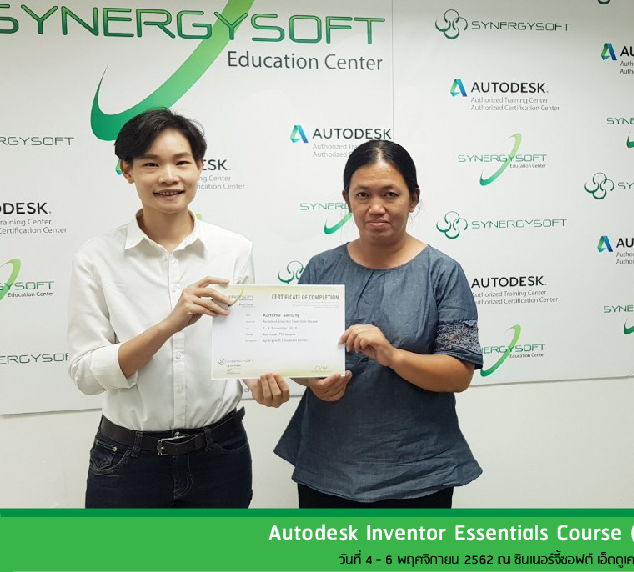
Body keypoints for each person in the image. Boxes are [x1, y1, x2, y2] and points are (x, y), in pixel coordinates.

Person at [67, 108, 288, 508]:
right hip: (127, 461)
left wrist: (260, 382)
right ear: (127, 170)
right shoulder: (96, 258)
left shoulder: (234, 250)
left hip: (221, 455)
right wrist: (169, 325)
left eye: (181, 162)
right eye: (151, 164)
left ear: (200, 167)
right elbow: (86, 374)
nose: (169, 177)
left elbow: (243, 351)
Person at [274, 139, 483, 508]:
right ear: (347, 199)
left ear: (413, 199)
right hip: (327, 465)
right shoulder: (321, 269)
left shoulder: (442, 272)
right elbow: (300, 359)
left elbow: (458, 375)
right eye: (363, 195)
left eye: (390, 194)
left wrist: (393, 356)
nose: (376, 207)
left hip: (419, 472)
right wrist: (312, 382)